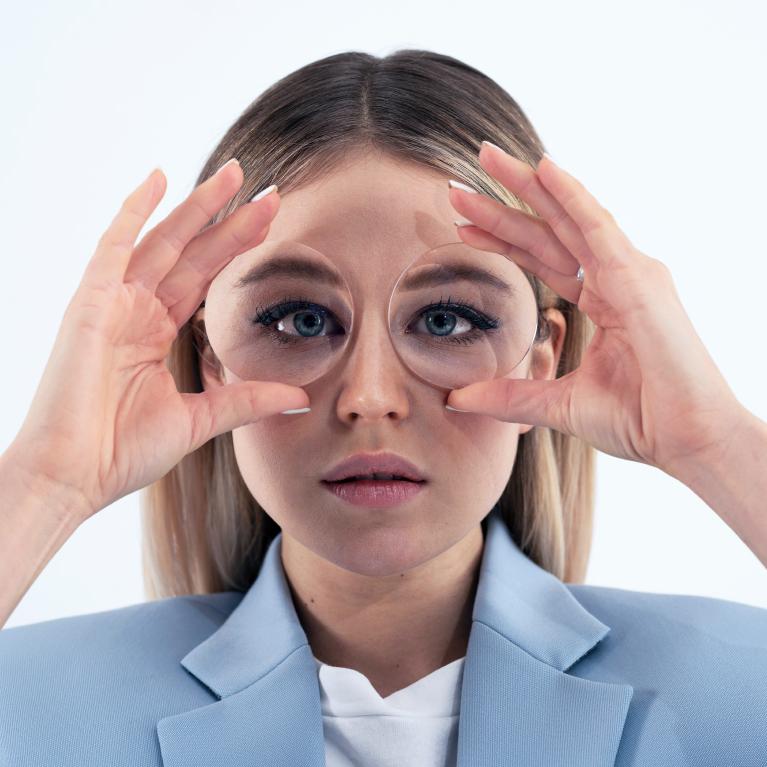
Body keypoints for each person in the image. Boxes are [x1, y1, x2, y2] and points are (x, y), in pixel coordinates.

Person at [1, 49, 765, 766]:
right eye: (299, 318)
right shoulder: (32, 703)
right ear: (209, 358)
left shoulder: (735, 689)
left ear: (541, 357)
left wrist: (717, 442)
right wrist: (45, 483)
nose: (369, 399)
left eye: (447, 319)